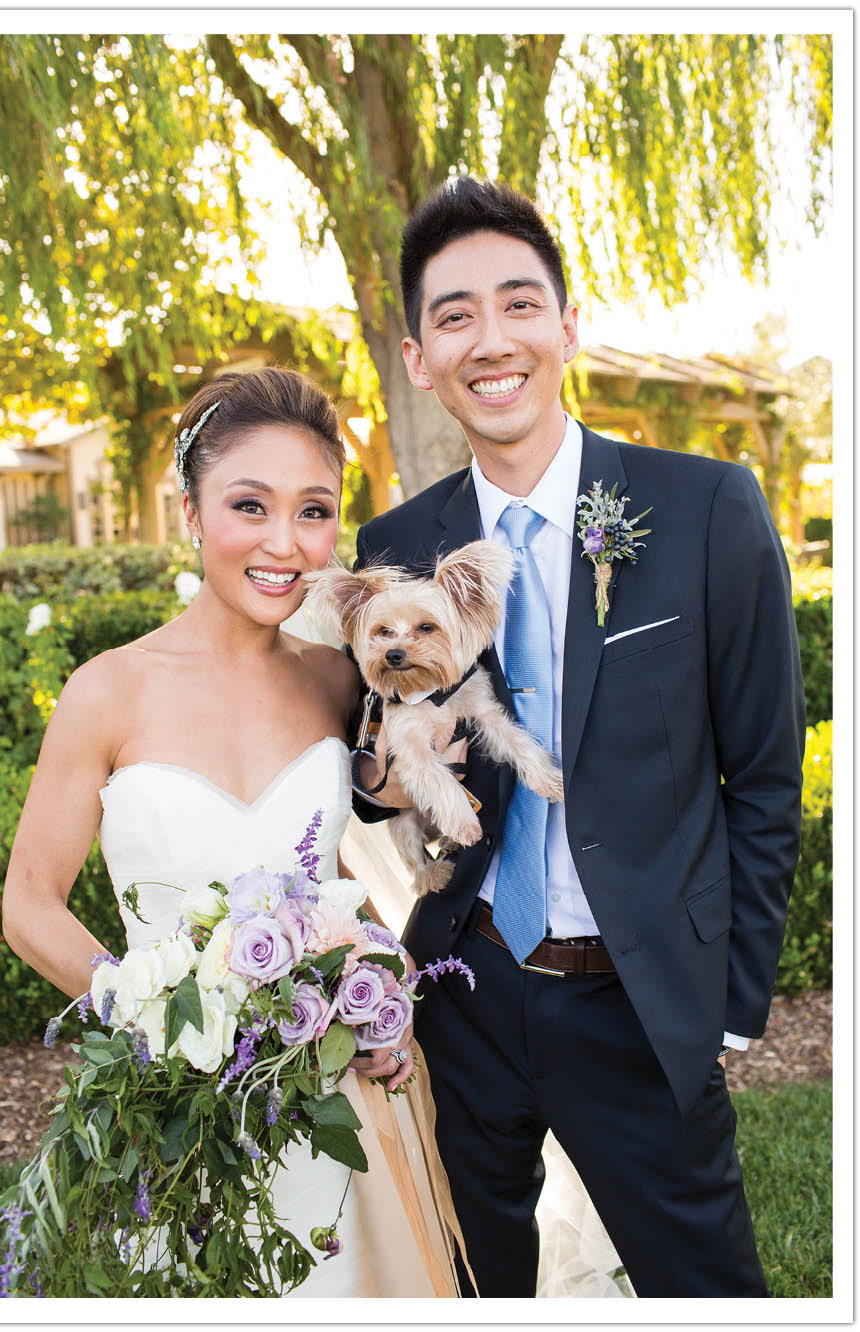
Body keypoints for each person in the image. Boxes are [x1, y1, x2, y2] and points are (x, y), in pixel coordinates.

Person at [352, 177, 805, 1298]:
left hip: (639, 1001)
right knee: (480, 1286)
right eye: (454, 316)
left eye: (519, 303)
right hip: (465, 991)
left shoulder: (706, 508)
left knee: (707, 1290)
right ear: (419, 358)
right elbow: (368, 770)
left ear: (565, 325)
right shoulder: (401, 539)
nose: (490, 340)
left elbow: (761, 774)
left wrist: (729, 1009)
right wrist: (390, 774)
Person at [0, 367, 467, 1299]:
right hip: (181, 1107)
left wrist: (378, 985)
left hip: (339, 1098)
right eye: (249, 505)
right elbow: (27, 905)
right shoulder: (108, 691)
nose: (284, 545)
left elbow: (330, 865)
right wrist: (147, 1017)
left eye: (314, 511)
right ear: (188, 510)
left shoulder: (340, 680)